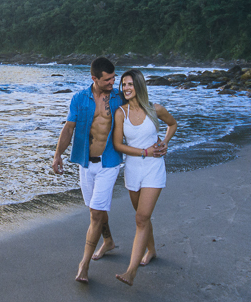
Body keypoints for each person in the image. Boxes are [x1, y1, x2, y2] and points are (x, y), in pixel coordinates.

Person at [51, 56, 125, 283]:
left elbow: (139, 116)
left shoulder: (119, 98)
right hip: (85, 163)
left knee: (95, 213)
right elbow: (69, 128)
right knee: (95, 210)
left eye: (114, 78)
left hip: (109, 162)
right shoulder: (79, 99)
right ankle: (108, 241)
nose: (113, 82)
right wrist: (57, 154)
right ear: (94, 78)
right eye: (108, 79)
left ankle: (84, 265)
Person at [111, 68, 178, 286]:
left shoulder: (155, 109)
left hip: (153, 168)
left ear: (139, 85)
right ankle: (152, 250)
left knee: (141, 218)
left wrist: (164, 142)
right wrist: (143, 151)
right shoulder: (121, 113)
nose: (126, 88)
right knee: (142, 216)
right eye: (123, 84)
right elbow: (118, 144)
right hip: (133, 170)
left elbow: (173, 124)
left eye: (130, 84)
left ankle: (131, 271)